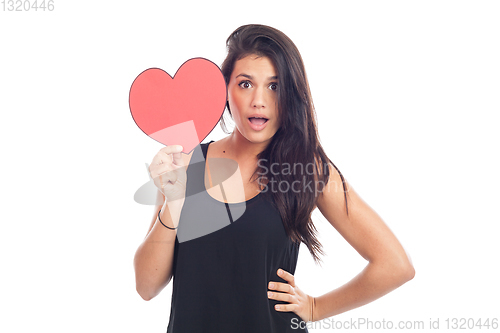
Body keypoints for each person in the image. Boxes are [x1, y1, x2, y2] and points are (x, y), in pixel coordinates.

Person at [133, 24, 415, 332]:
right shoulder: (185, 164)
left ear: (290, 95)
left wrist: (317, 307)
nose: (259, 100)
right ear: (224, 90)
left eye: (274, 86)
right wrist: (173, 201)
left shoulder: (308, 169)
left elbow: (395, 265)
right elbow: (147, 287)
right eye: (245, 84)